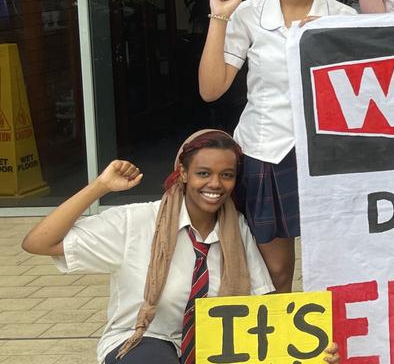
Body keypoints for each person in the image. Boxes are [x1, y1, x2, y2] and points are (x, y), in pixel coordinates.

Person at [197, 0, 355, 293]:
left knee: (336, 270)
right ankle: (285, 350)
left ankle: (334, 348)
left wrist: (325, 40)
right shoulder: (249, 14)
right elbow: (211, 89)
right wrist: (220, 17)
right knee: (276, 274)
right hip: (266, 152)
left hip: (326, 156)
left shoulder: (343, 18)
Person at [21, 131, 274, 364]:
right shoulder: (135, 222)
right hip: (144, 338)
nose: (216, 184)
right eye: (204, 173)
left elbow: (263, 298)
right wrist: (100, 187)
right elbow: (39, 242)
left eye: (226, 175)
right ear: (184, 173)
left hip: (217, 346)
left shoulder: (237, 228)